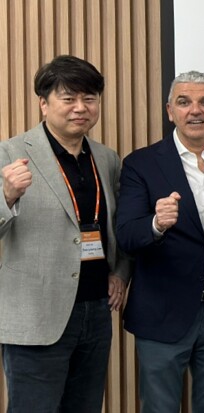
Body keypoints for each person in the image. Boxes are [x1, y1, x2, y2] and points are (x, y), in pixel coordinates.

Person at [114, 70, 204, 412]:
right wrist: (155, 223)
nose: (195, 110)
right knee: (160, 407)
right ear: (170, 111)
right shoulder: (141, 163)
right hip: (162, 311)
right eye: (184, 102)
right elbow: (126, 235)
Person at [0, 54, 129, 413]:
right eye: (68, 98)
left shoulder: (106, 158)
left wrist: (119, 273)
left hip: (95, 310)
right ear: (43, 103)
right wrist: (7, 195)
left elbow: (116, 226)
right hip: (36, 313)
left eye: (89, 99)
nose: (80, 108)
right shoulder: (10, 153)